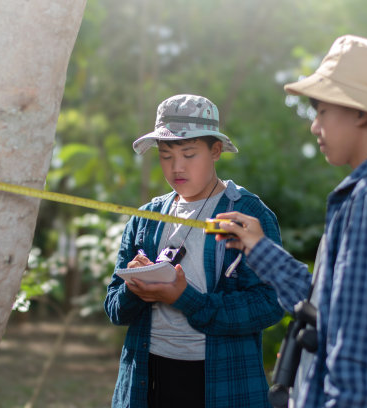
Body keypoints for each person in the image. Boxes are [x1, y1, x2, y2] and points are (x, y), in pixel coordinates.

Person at [216, 35, 367, 407]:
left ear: (360, 112)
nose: (314, 127)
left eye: (321, 111)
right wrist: (258, 248)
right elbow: (330, 307)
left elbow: (356, 357)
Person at [104, 94, 284, 408]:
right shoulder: (147, 218)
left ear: (215, 150)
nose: (176, 167)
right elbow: (114, 308)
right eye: (165, 155)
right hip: (147, 379)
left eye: (189, 154)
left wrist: (185, 299)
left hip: (222, 382)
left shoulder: (246, 214)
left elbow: (271, 303)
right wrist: (135, 288)